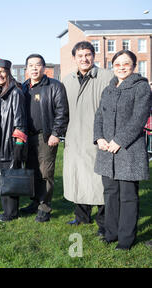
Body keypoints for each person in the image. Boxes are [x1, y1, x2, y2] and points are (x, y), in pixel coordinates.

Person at [94, 50, 151, 250]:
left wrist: (119, 140)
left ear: (134, 66)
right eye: (117, 64)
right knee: (110, 193)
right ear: (113, 66)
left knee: (128, 196)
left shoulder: (141, 87)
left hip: (128, 151)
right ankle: (111, 233)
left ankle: (126, 239)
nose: (121, 67)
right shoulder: (108, 89)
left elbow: (139, 118)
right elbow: (99, 115)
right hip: (106, 151)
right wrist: (99, 138)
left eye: (126, 64)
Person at [61, 41, 113, 236]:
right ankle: (81, 216)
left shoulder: (107, 77)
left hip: (98, 137)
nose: (84, 59)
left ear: (93, 56)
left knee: (99, 181)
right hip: (74, 137)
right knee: (77, 178)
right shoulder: (67, 80)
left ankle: (104, 222)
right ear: (74, 58)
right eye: (80, 56)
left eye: (88, 55)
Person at [20, 54, 69, 222]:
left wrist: (56, 133)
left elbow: (62, 112)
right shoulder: (24, 87)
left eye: (38, 65)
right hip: (27, 137)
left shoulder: (54, 86)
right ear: (26, 69)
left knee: (46, 173)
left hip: (46, 136)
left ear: (44, 67)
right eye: (31, 65)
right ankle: (35, 202)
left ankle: (45, 208)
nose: (34, 68)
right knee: (32, 172)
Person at [0, 58, 27, 222]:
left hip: (10, 144)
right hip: (0, 144)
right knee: (4, 178)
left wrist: (18, 147)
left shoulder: (15, 93)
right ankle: (8, 211)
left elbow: (20, 121)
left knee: (10, 178)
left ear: (8, 73)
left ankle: (11, 213)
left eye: (2, 72)